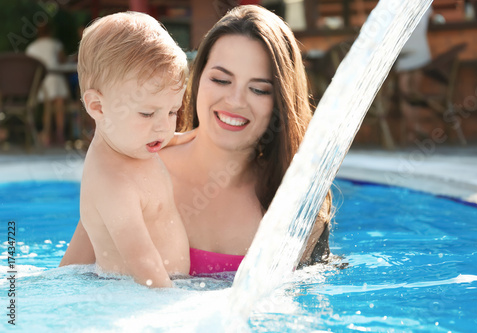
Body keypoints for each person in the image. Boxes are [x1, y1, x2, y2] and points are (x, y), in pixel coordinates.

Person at [60, 5, 332, 276]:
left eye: (258, 89)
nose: (235, 101)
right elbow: (68, 284)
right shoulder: (134, 169)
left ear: (281, 102)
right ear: (198, 78)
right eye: (221, 80)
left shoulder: (295, 200)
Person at [75, 12, 190, 287]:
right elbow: (141, 260)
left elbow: (172, 136)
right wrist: (175, 303)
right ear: (98, 107)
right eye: (148, 113)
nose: (164, 128)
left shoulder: (133, 142)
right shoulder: (112, 181)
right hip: (134, 293)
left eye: (173, 111)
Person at [26, 22, 70, 146]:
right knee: (59, 102)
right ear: (50, 31)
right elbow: (63, 60)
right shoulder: (55, 44)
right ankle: (60, 133)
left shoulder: (31, 47)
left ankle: (47, 134)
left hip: (41, 82)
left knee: (47, 106)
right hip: (55, 77)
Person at [395, 6, 433, 143]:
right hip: (410, 50)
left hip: (411, 50)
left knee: (409, 93)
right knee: (409, 93)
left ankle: (413, 130)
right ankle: (414, 129)